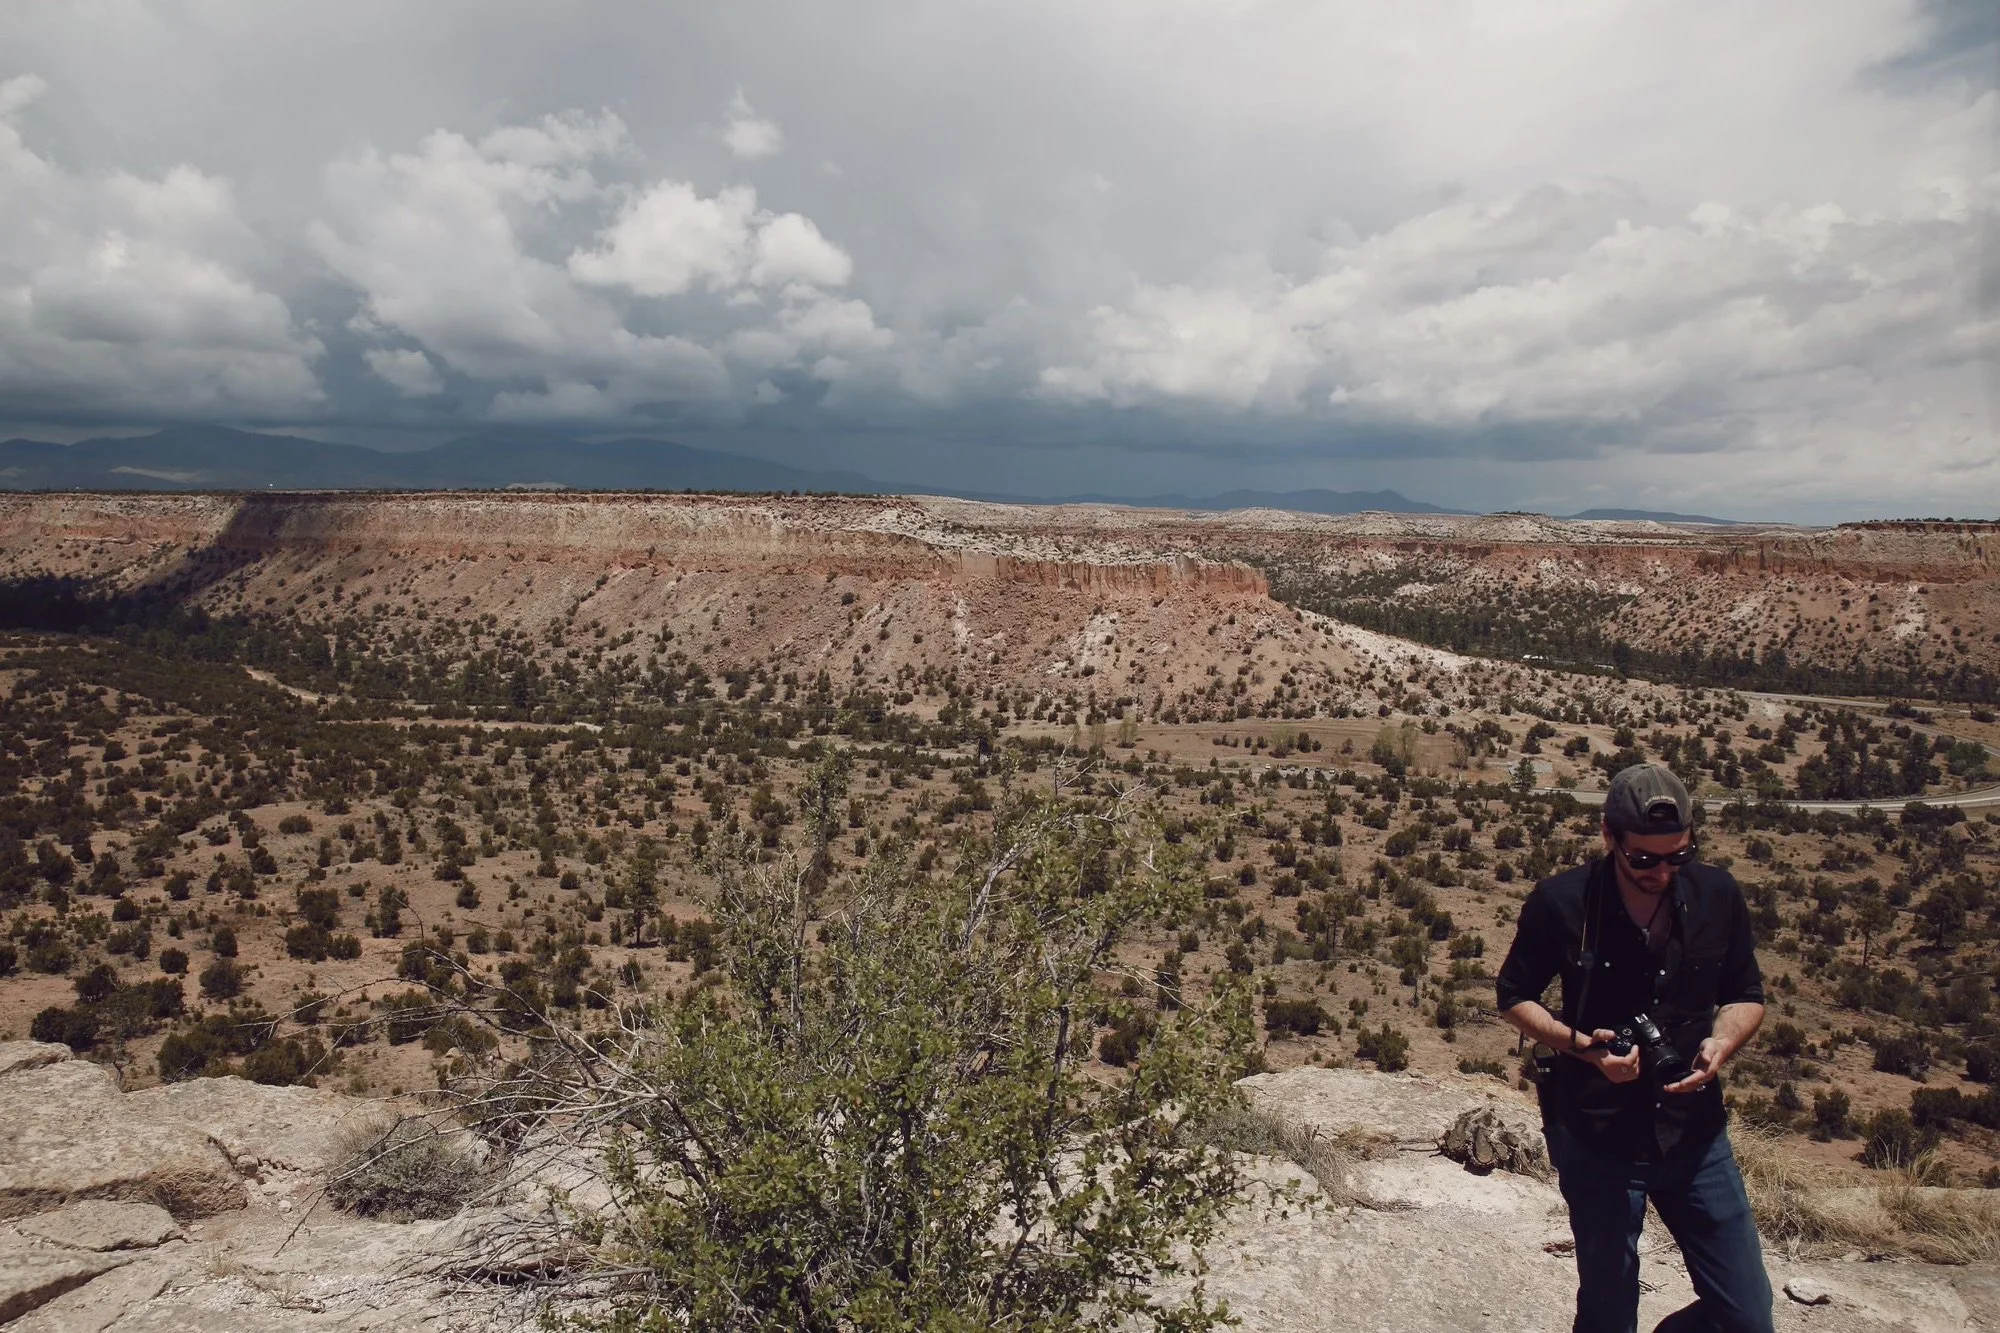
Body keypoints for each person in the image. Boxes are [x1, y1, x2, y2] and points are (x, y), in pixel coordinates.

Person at [1495, 762, 1773, 1333]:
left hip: (1695, 1133)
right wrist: (1580, 1046)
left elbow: (1746, 994)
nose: (1662, 871)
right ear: (1609, 836)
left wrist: (1722, 1042)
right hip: (1598, 1134)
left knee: (1746, 1315)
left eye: (1679, 855)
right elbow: (1514, 995)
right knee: (1609, 1307)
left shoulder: (1717, 894)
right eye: (1644, 859)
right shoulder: (1563, 901)